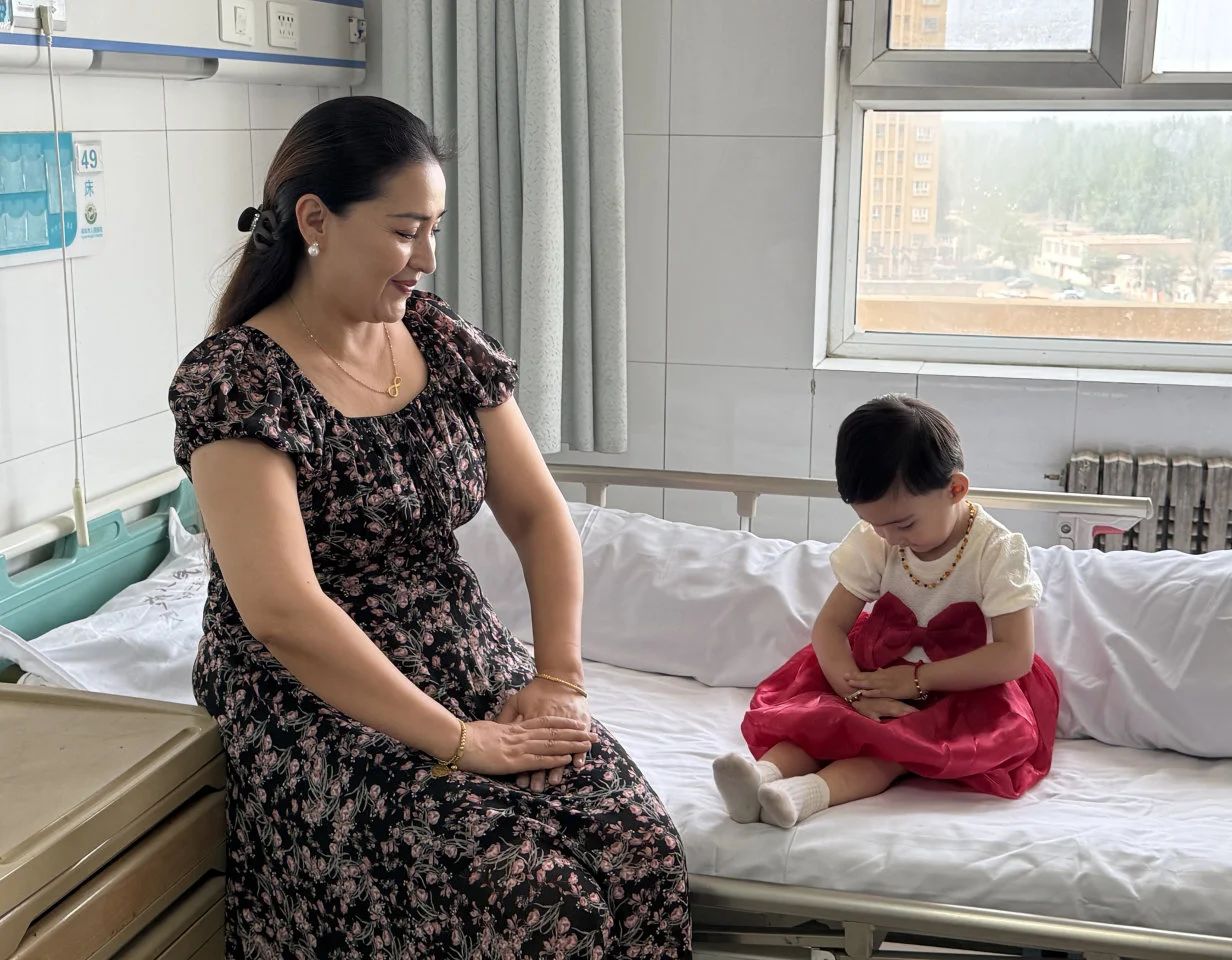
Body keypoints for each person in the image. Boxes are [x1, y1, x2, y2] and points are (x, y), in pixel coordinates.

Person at [169, 95, 691, 959]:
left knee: (639, 850)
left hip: (461, 658)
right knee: (534, 901)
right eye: (405, 231)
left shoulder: (438, 338)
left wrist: (558, 679)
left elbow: (538, 513)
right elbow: (283, 610)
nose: (427, 258)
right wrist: (463, 743)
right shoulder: (238, 382)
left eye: (434, 229)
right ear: (315, 221)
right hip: (314, 696)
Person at [713, 395, 1060, 828]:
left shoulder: (996, 551)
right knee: (822, 723)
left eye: (904, 524)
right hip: (875, 674)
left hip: (960, 685)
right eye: (876, 524)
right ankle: (759, 778)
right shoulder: (877, 540)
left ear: (955, 489)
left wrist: (917, 680)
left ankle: (801, 797)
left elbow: (1014, 654)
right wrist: (854, 693)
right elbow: (830, 627)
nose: (890, 538)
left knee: (891, 749)